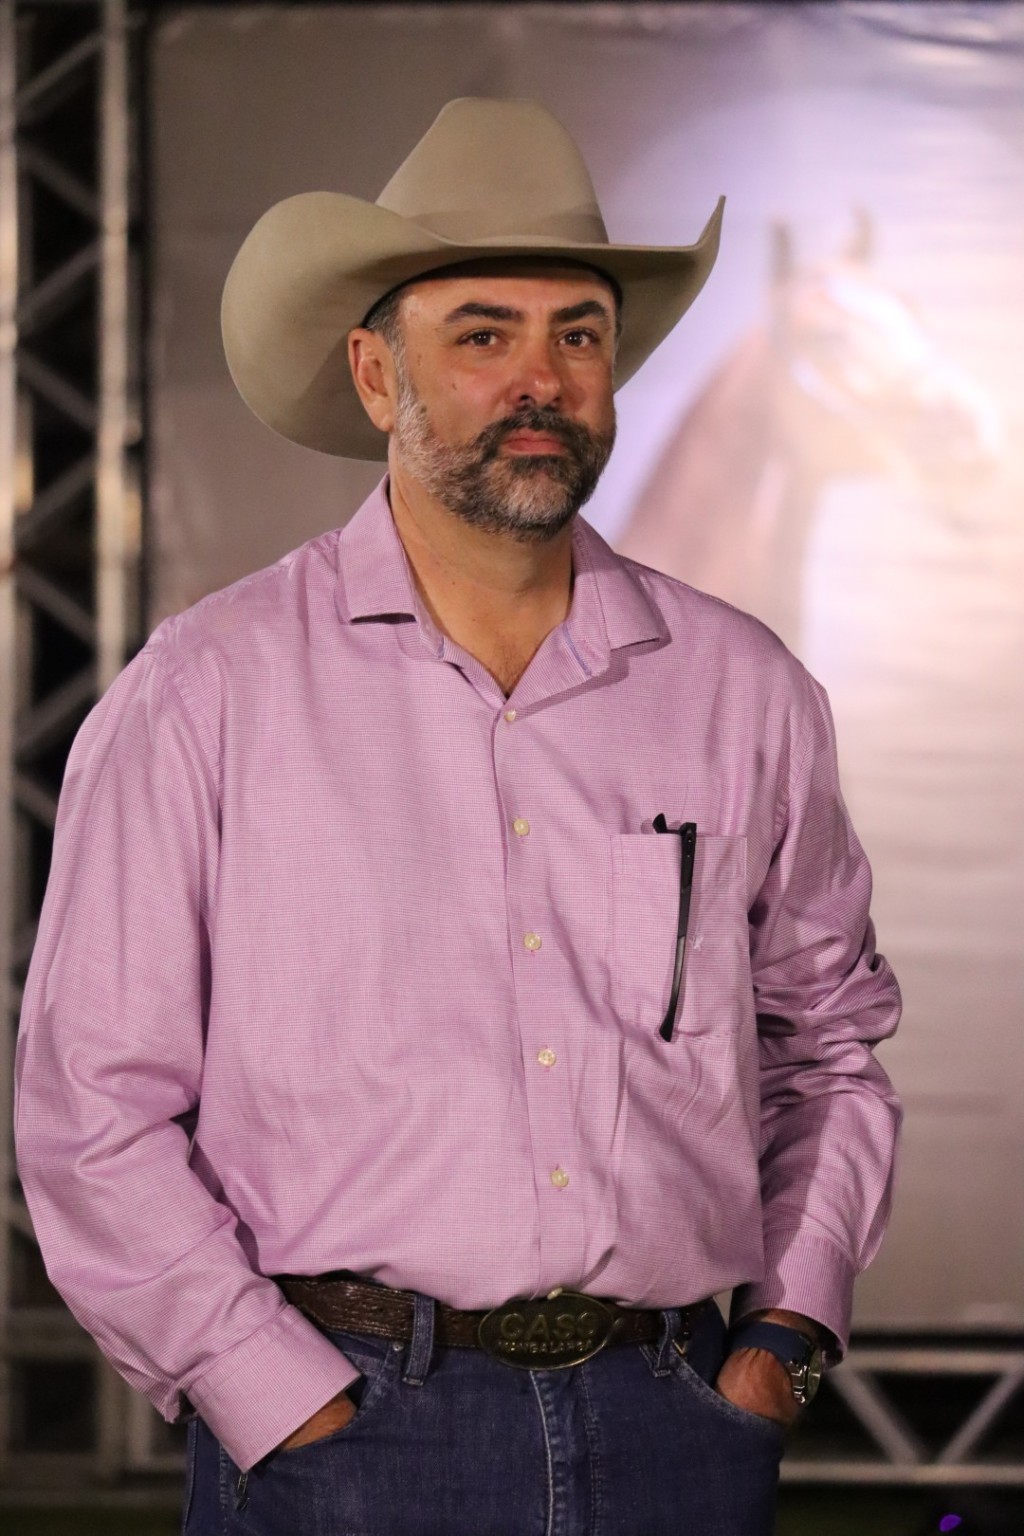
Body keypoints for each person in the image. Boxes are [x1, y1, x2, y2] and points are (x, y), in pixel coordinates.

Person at [14, 98, 902, 1535]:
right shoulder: (209, 690)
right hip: (341, 1432)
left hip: (674, 1423)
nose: (539, 380)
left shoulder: (742, 691)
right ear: (377, 376)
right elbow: (89, 1105)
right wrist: (270, 1394)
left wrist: (782, 1345)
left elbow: (831, 1050)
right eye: (482, 335)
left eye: (578, 335)